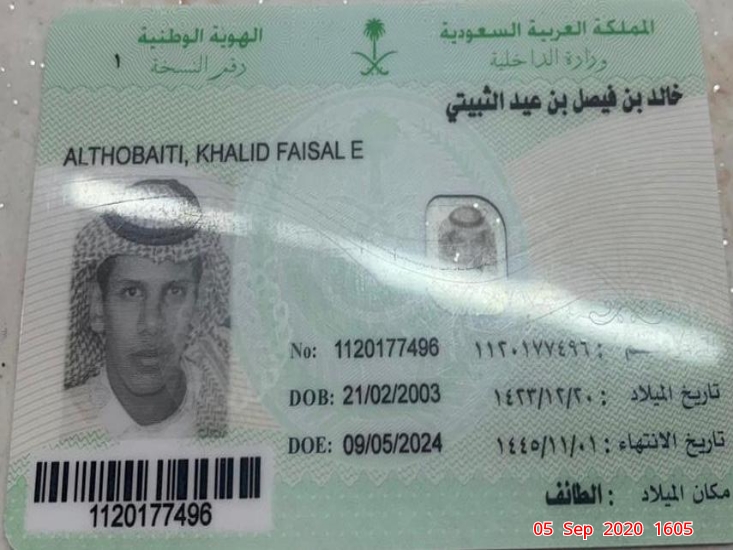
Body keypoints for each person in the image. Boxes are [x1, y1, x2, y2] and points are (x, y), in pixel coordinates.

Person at [64, 179, 230, 438]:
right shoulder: (59, 422)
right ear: (97, 307)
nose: (151, 324)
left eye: (175, 292)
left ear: (198, 307)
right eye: (131, 293)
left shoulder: (228, 412)